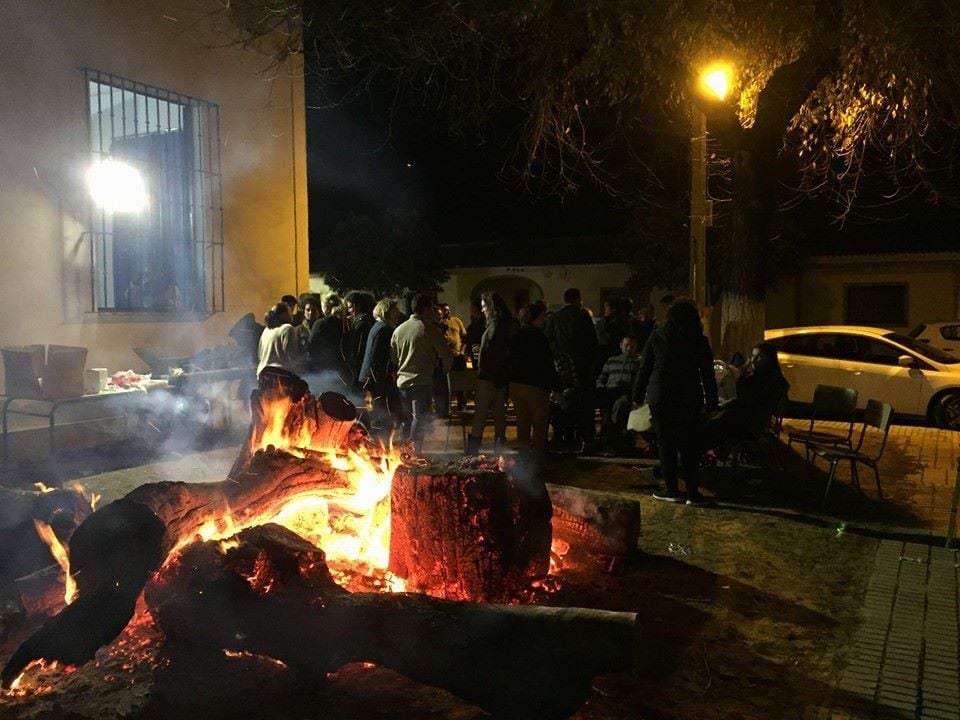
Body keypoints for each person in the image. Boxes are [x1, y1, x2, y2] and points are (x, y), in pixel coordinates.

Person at [632, 297, 718, 506]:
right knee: (690, 445)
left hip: (661, 395)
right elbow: (707, 374)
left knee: (666, 443)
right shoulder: (699, 340)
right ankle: (692, 492)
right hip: (689, 396)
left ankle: (671, 489)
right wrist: (712, 403)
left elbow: (645, 368)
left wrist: (637, 395)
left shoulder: (659, 336)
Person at [703, 342, 790, 457]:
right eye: (753, 356)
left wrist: (742, 376)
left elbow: (745, 400)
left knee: (714, 424)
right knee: (714, 417)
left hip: (751, 424)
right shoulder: (764, 377)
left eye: (759, 357)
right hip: (749, 419)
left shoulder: (768, 380)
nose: (754, 360)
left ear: (769, 359)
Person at [391, 294, 453, 452]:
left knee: (406, 420)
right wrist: (445, 368)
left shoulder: (399, 330)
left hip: (402, 382)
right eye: (431, 308)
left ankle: (402, 454)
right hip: (422, 381)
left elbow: (393, 357)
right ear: (426, 308)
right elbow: (445, 354)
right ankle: (415, 452)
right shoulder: (430, 329)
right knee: (419, 419)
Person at [545, 287, 599, 451]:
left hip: (562, 368)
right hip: (582, 367)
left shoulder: (556, 318)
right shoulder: (583, 316)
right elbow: (592, 342)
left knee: (563, 401)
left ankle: (564, 436)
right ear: (578, 299)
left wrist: (558, 356)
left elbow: (548, 340)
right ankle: (586, 439)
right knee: (583, 404)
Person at [467, 292, 518, 453]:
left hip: (488, 377)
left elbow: (490, 353)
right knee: (499, 414)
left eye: (484, 307)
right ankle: (499, 451)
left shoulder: (494, 327)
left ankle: (472, 453)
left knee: (480, 415)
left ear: (491, 307)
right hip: (501, 377)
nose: (482, 311)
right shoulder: (507, 325)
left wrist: (485, 374)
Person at [508, 302, 557, 461]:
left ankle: (523, 456)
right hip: (536, 386)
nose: (545, 319)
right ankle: (537, 457)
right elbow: (547, 363)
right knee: (539, 424)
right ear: (536, 317)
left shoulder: (516, 335)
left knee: (522, 422)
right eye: (543, 316)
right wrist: (555, 386)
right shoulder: (539, 337)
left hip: (516, 384)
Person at [359, 297, 404, 440]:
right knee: (385, 414)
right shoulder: (385, 329)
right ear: (387, 311)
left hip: (371, 378)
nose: (398, 312)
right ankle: (383, 445)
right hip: (378, 380)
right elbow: (378, 356)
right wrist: (387, 375)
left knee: (379, 413)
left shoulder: (377, 327)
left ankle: (381, 443)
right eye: (395, 310)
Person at [595, 335, 642, 454]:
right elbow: (601, 377)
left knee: (621, 404)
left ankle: (613, 440)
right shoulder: (612, 360)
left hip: (625, 392)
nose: (628, 348)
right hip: (609, 392)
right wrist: (600, 386)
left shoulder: (639, 362)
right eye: (626, 345)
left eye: (632, 346)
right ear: (621, 345)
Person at [257, 302, 305, 382]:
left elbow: (259, 355)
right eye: (289, 311)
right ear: (283, 314)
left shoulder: (266, 330)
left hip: (263, 375)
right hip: (280, 378)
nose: (292, 314)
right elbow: (291, 355)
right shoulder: (287, 328)